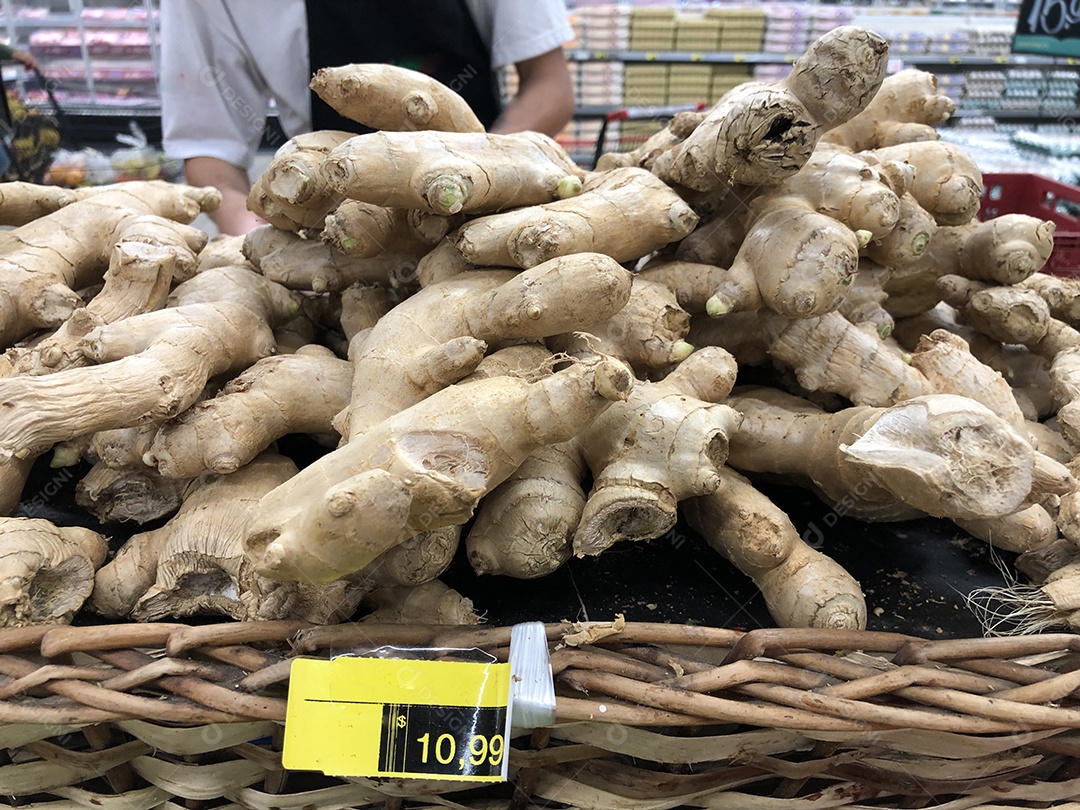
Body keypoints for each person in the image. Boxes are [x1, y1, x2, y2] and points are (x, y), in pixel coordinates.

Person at [160, 1, 577, 234]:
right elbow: (209, 150)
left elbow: (549, 85)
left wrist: (489, 177)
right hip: (332, 228)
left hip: (492, 211)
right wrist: (260, 241)